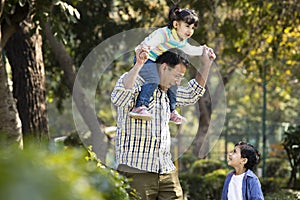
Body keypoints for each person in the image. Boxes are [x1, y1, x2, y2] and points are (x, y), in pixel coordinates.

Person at [111, 47, 214, 200]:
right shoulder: (137, 83)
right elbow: (119, 98)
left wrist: (206, 65)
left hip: (166, 170)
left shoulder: (168, 93)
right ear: (164, 67)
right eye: (177, 76)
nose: (178, 81)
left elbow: (193, 94)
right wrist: (138, 65)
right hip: (137, 170)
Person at [128, 6, 216, 124]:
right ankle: (140, 106)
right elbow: (150, 43)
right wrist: (144, 49)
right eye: (187, 26)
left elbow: (190, 50)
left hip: (156, 61)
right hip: (145, 59)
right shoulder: (164, 33)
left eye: (192, 28)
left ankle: (171, 110)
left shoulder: (181, 40)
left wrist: (204, 50)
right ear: (176, 24)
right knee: (154, 79)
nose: (190, 31)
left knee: (173, 84)